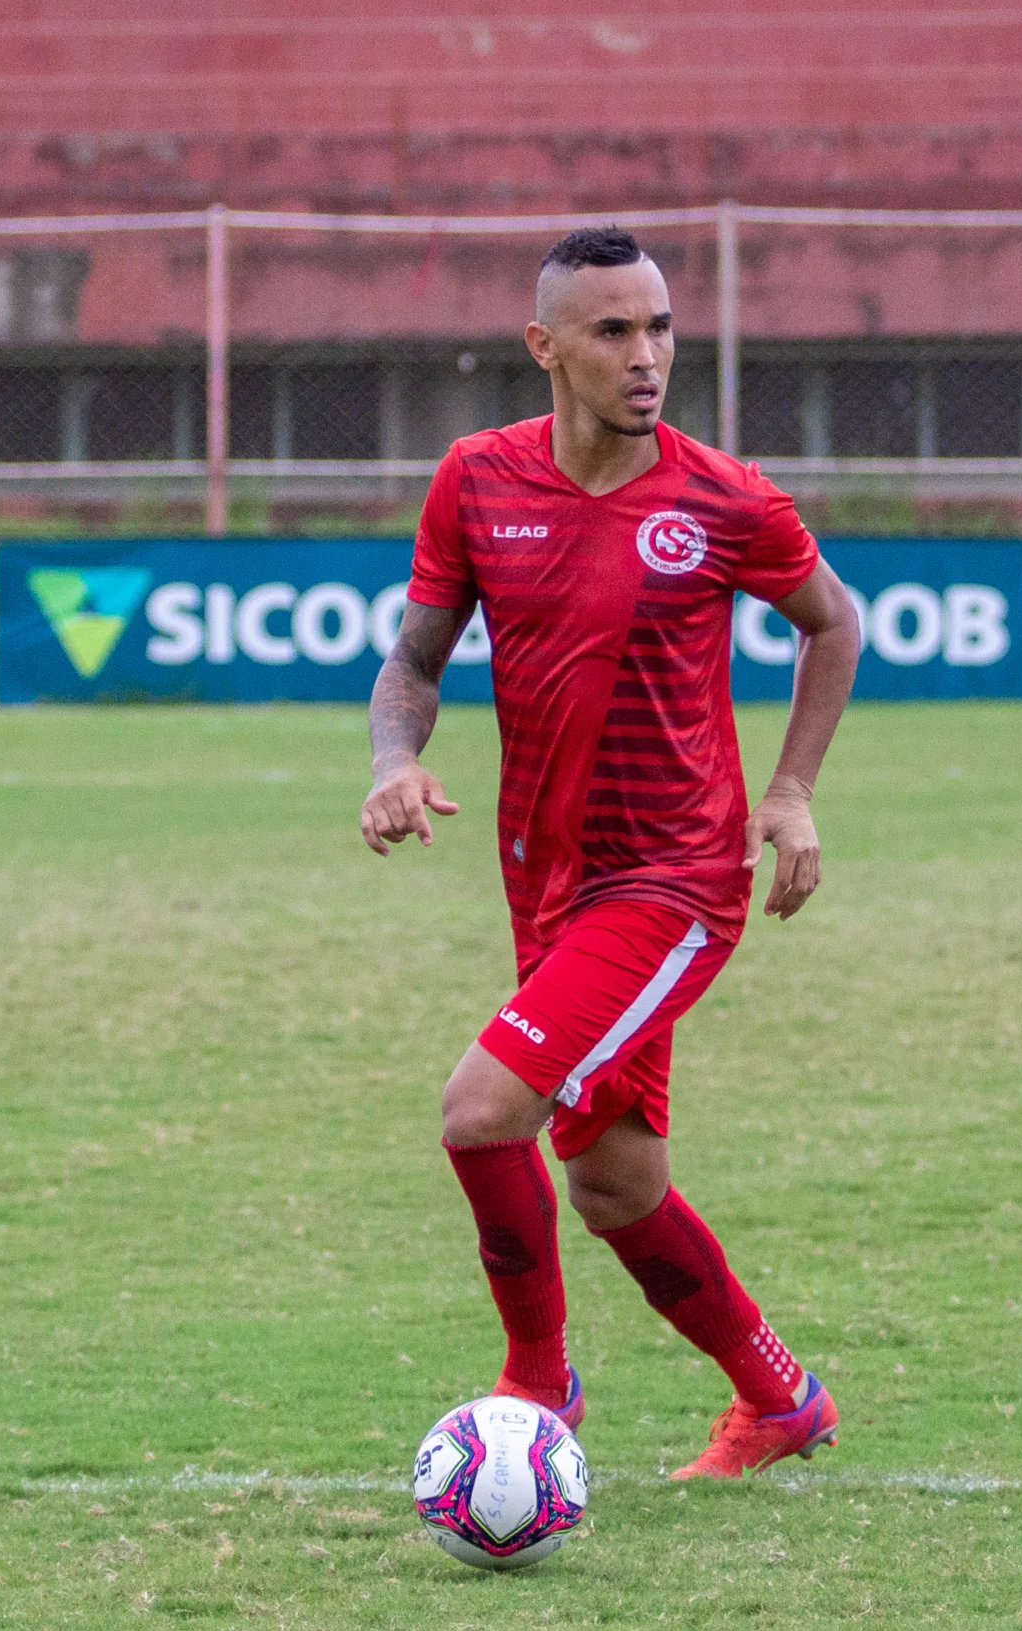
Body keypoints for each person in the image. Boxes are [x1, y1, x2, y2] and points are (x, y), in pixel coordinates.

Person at [359, 226, 862, 1479]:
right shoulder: (476, 479)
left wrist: (790, 792)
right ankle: (778, 1395)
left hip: (674, 882)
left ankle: (538, 1388)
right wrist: (393, 764)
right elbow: (414, 661)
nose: (649, 358)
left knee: (482, 1111)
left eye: (661, 328)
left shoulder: (722, 498)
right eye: (613, 331)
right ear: (546, 347)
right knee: (616, 1186)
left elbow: (830, 621)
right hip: (547, 883)